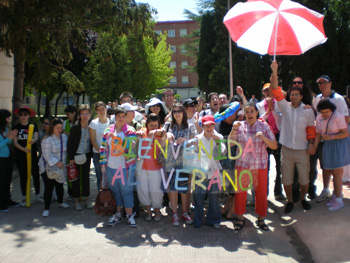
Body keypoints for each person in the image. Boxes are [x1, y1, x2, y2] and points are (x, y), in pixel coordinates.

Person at [270, 62, 316, 213]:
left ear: (301, 96)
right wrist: (275, 71)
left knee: (304, 180)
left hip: (303, 150)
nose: (294, 96)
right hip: (287, 149)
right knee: (286, 179)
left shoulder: (308, 111)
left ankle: (303, 199)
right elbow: (275, 89)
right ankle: (290, 201)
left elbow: (311, 129)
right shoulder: (284, 106)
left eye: (297, 94)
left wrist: (311, 144)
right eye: (292, 94)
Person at [228, 101, 277, 231]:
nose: (249, 114)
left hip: (259, 165)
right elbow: (230, 144)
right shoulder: (240, 126)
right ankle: (240, 218)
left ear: (256, 112)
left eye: (252, 111)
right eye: (247, 111)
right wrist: (233, 129)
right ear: (244, 114)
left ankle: (261, 219)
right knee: (240, 194)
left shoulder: (264, 126)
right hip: (242, 165)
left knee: (261, 193)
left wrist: (264, 139)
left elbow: (274, 145)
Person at [313, 75, 350, 203]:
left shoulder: (339, 99)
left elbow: (345, 119)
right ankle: (326, 189)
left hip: (336, 139)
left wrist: (335, 135)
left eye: (324, 82)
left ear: (330, 83)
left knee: (337, 168)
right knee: (325, 166)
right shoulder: (318, 98)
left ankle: (337, 193)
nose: (322, 85)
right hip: (324, 138)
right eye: (319, 83)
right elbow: (317, 116)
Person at [100, 106, 137, 227]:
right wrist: (103, 165)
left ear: (126, 117)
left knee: (127, 191)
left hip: (125, 168)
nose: (121, 119)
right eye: (118, 116)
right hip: (111, 167)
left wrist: (122, 142)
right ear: (115, 117)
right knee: (115, 192)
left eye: (123, 116)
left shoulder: (130, 131)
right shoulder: (107, 131)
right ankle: (118, 214)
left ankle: (130, 215)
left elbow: (131, 150)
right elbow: (103, 149)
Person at [163, 104, 195, 227]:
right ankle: (175, 213)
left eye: (179, 111)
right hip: (170, 161)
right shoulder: (167, 126)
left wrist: (186, 141)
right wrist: (166, 136)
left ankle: (185, 211)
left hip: (185, 161)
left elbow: (195, 143)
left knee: (184, 188)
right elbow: (160, 141)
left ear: (183, 113)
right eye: (174, 111)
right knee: (172, 188)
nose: (177, 113)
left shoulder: (190, 126)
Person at [191, 115, 226, 229]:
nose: (209, 128)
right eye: (206, 126)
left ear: (214, 125)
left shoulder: (219, 137)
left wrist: (217, 143)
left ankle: (214, 220)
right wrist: (194, 149)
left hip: (214, 173)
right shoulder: (197, 138)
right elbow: (193, 156)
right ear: (202, 126)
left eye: (211, 125)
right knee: (198, 198)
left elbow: (222, 154)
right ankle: (198, 220)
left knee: (214, 198)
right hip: (200, 173)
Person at [287, 76, 318, 201]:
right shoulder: (289, 98)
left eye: (300, 82)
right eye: (294, 82)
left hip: (308, 139)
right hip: (293, 141)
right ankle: (294, 193)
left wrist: (311, 108)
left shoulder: (312, 98)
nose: (297, 84)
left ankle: (310, 190)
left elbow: (315, 117)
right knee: (293, 171)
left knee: (310, 168)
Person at [256, 83, 285, 201]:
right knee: (264, 167)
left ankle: (278, 191)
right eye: (265, 91)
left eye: (269, 91)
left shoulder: (278, 104)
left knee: (280, 167)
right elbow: (259, 120)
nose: (267, 93)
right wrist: (267, 109)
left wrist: (272, 110)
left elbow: (280, 119)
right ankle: (264, 193)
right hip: (265, 137)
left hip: (277, 135)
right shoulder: (259, 105)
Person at [136, 114, 166, 221]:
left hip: (156, 167)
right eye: (151, 125)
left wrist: (156, 131)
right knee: (142, 190)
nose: (153, 127)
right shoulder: (143, 131)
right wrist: (139, 133)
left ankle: (157, 212)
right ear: (147, 124)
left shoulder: (160, 131)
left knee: (156, 191)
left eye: (155, 125)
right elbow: (137, 134)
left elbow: (164, 133)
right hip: (142, 167)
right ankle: (148, 212)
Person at [13, 106, 43, 206]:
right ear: (19, 116)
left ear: (29, 115)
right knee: (23, 176)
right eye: (21, 115)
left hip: (32, 154)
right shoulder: (16, 127)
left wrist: (32, 141)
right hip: (21, 155)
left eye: (25, 114)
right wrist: (24, 149)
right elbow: (15, 142)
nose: (23, 117)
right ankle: (24, 197)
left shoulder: (33, 125)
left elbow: (36, 137)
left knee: (35, 174)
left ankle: (38, 195)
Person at [40, 119, 70, 217]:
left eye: (61, 128)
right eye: (57, 128)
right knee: (49, 187)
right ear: (52, 127)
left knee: (60, 185)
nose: (59, 130)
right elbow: (47, 155)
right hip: (48, 167)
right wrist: (57, 162)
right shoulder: (47, 140)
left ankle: (60, 202)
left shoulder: (64, 137)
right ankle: (46, 208)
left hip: (61, 166)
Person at [67, 104, 92, 211]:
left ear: (90, 114)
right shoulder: (76, 127)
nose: (85, 116)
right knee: (75, 179)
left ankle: (87, 200)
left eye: (87, 113)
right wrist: (71, 157)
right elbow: (70, 143)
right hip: (76, 155)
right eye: (82, 114)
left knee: (86, 178)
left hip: (86, 154)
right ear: (79, 115)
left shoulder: (91, 126)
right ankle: (76, 201)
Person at [89, 101, 111, 190]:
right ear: (96, 112)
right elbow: (93, 140)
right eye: (99, 110)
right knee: (100, 176)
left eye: (103, 109)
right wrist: (100, 151)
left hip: (110, 154)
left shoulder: (111, 122)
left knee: (109, 176)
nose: (101, 111)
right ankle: (101, 197)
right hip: (97, 154)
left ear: (106, 109)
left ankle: (110, 198)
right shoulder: (93, 123)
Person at [0, 109, 19, 211]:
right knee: (1, 181)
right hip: (0, 159)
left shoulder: (6, 129)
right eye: (7, 117)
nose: (9, 119)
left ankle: (7, 199)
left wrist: (12, 137)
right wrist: (8, 139)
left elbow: (8, 143)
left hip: (7, 158)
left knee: (7, 180)